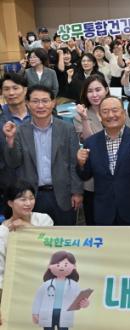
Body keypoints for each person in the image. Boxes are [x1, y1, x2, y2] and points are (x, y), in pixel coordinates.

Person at [3, 85, 82, 226]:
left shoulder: (67, 129)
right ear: (28, 104)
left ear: (53, 103)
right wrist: (10, 140)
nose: (40, 106)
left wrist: (77, 192)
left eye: (45, 101)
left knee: (64, 235)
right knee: (34, 236)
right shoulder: (19, 131)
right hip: (32, 197)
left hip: (62, 194)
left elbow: (73, 163)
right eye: (35, 101)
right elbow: (13, 162)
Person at [76, 96, 130, 225]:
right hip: (103, 210)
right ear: (100, 116)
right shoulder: (91, 142)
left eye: (115, 110)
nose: (110, 115)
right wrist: (80, 163)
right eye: (105, 111)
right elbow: (85, 175)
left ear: (124, 112)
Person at [74, 75, 130, 225]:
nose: (94, 94)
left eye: (98, 89)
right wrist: (84, 118)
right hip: (95, 180)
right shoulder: (81, 115)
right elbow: (89, 143)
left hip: (122, 177)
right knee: (97, 225)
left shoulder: (119, 110)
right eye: (90, 91)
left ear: (106, 90)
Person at [0, 183, 54, 315]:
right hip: (16, 285)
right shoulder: (2, 231)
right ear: (10, 203)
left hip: (44, 281)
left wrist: (27, 226)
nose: (28, 203)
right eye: (23, 199)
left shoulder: (43, 219)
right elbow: (1, 268)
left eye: (31, 198)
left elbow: (49, 245)